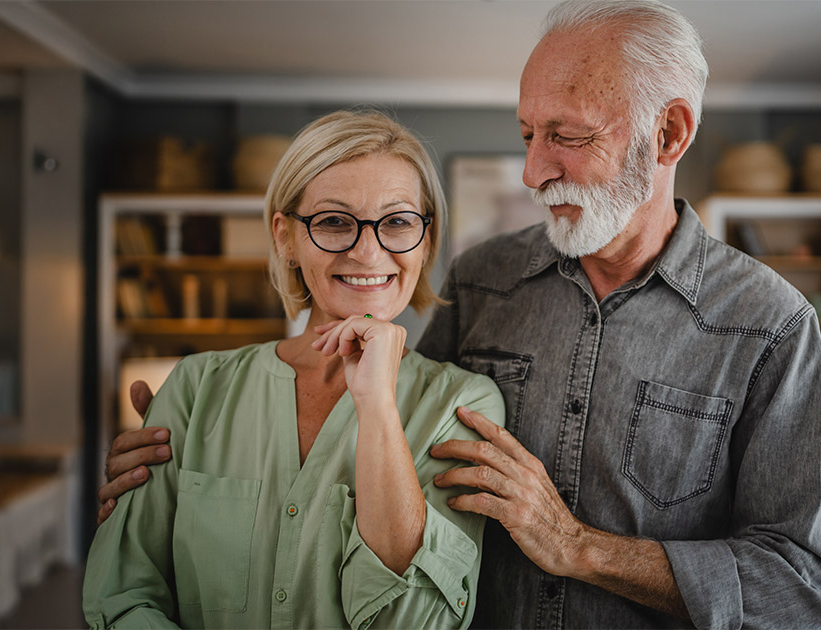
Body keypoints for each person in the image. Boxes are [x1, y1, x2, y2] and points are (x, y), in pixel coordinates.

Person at [99, 1, 821, 627]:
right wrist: (186, 465)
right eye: (528, 134)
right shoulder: (484, 279)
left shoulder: (770, 326)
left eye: (567, 135)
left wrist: (576, 545)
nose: (532, 170)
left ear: (670, 134)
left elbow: (805, 587)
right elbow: (386, 433)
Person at [83, 110, 505, 629]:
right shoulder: (194, 388)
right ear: (285, 238)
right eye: (333, 221)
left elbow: (415, 620)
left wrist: (376, 406)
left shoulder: (464, 406)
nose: (368, 250)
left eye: (397, 221)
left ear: (426, 240)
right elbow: (122, 594)